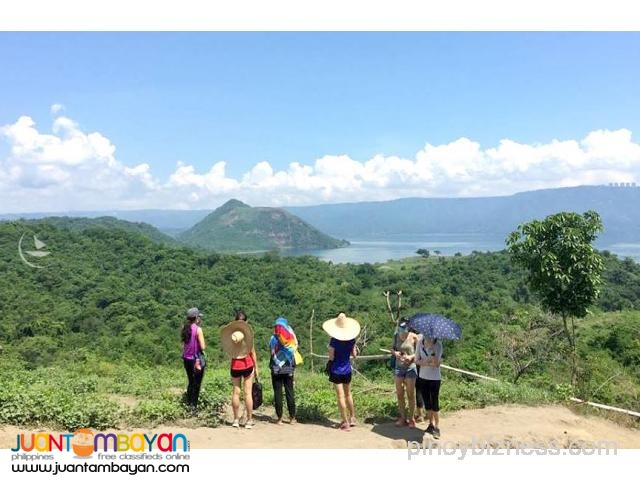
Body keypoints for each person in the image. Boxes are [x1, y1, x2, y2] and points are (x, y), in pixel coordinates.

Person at [220, 310, 259, 429]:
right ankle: (249, 420)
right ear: (246, 322)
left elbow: (230, 351)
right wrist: (256, 369)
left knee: (236, 392)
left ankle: (236, 420)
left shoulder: (233, 336)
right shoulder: (247, 337)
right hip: (247, 365)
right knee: (248, 393)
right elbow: (252, 353)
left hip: (235, 366)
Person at [322, 312, 360, 431]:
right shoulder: (351, 340)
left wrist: (329, 360)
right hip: (347, 370)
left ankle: (345, 421)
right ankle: (353, 417)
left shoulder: (334, 341)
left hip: (336, 371)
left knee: (340, 397)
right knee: (348, 394)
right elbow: (354, 355)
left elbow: (331, 357)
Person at [269, 317, 298, 424]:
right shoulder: (291, 338)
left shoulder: (273, 338)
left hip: (276, 367)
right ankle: (292, 418)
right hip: (288, 366)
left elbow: (272, 353)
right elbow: (294, 351)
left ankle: (279, 418)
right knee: (289, 391)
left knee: (278, 392)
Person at [391, 320, 419, 428]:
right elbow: (392, 348)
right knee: (399, 394)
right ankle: (402, 417)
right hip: (399, 368)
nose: (403, 332)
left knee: (410, 394)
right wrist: (395, 353)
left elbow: (419, 352)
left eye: (405, 329)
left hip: (410, 368)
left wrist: (411, 357)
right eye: (401, 329)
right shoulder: (396, 336)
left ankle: (411, 418)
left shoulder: (414, 337)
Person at [415, 335, 443, 439]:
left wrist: (432, 350)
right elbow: (416, 360)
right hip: (422, 377)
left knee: (434, 403)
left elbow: (436, 364)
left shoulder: (438, 344)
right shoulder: (420, 343)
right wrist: (424, 362)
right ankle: (430, 424)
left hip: (435, 378)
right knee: (427, 403)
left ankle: (437, 427)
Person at [181, 307, 206, 410]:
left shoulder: (185, 328)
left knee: (191, 381)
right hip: (196, 360)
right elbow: (203, 346)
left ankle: (188, 403)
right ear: (196, 318)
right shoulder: (198, 329)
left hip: (186, 359)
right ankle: (193, 407)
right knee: (197, 384)